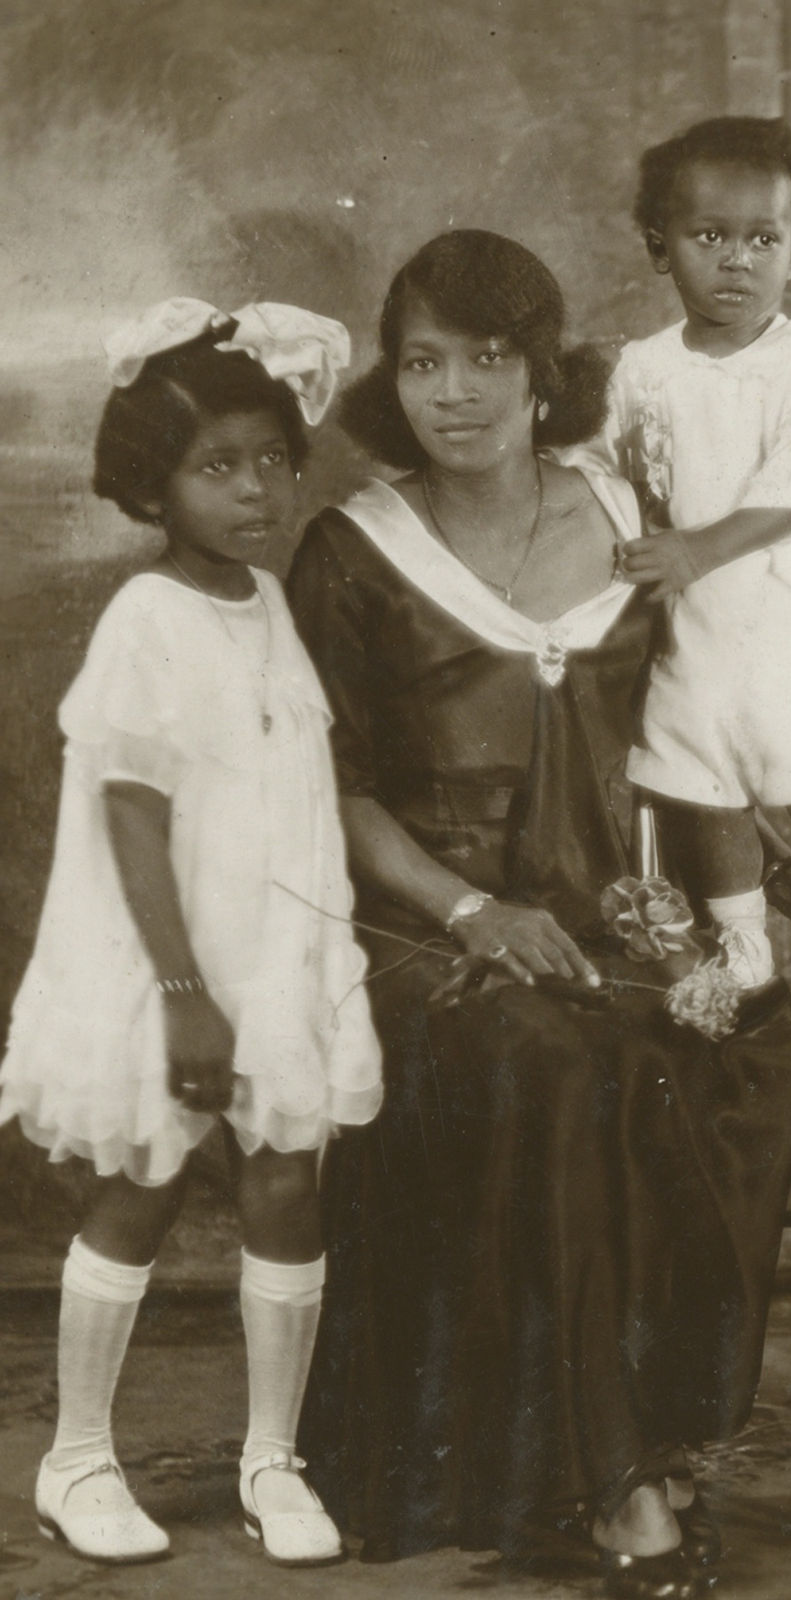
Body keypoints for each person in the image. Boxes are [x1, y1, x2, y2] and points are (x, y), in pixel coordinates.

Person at [287, 230, 791, 1599]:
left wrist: (714, 906)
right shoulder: (349, 550)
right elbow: (321, 791)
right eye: (420, 363)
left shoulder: (624, 507)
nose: (451, 392)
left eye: (485, 358)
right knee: (561, 1067)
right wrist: (467, 908)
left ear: (542, 371)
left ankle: (664, 1423)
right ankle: (611, 1477)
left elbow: (691, 718)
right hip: (421, 936)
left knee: (739, 1039)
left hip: (608, 914)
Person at [0, 299, 382, 1568]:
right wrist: (182, 989)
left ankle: (272, 1454)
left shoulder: (265, 603)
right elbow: (128, 810)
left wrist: (296, 970)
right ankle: (78, 1457)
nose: (256, 487)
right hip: (173, 961)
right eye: (216, 465)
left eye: (272, 458)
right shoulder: (146, 618)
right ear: (148, 482)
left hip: (274, 955)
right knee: (144, 1187)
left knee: (284, 1183)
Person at [562, 117, 791, 1008]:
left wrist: (695, 547)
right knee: (701, 782)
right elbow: (599, 463)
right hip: (695, 616)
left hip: (789, 608)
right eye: (709, 237)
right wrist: (618, 522)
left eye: (763, 239)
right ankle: (741, 941)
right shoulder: (640, 370)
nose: (737, 260)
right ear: (658, 248)